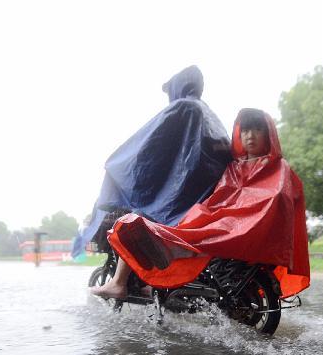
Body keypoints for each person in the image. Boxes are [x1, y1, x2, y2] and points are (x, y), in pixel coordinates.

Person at [91, 108, 310, 300]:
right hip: (223, 223)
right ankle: (159, 276)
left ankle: (144, 273)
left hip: (237, 229)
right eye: (245, 130)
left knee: (168, 231)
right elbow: (220, 199)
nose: (250, 135)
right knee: (175, 228)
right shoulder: (235, 167)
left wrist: (225, 219)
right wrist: (209, 215)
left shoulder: (278, 167)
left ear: (269, 134)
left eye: (257, 130)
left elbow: (275, 200)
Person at [72, 66, 232, 258]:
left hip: (180, 199)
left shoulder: (182, 108)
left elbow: (147, 144)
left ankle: (119, 283)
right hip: (203, 196)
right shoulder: (208, 114)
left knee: (135, 221)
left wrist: (117, 162)